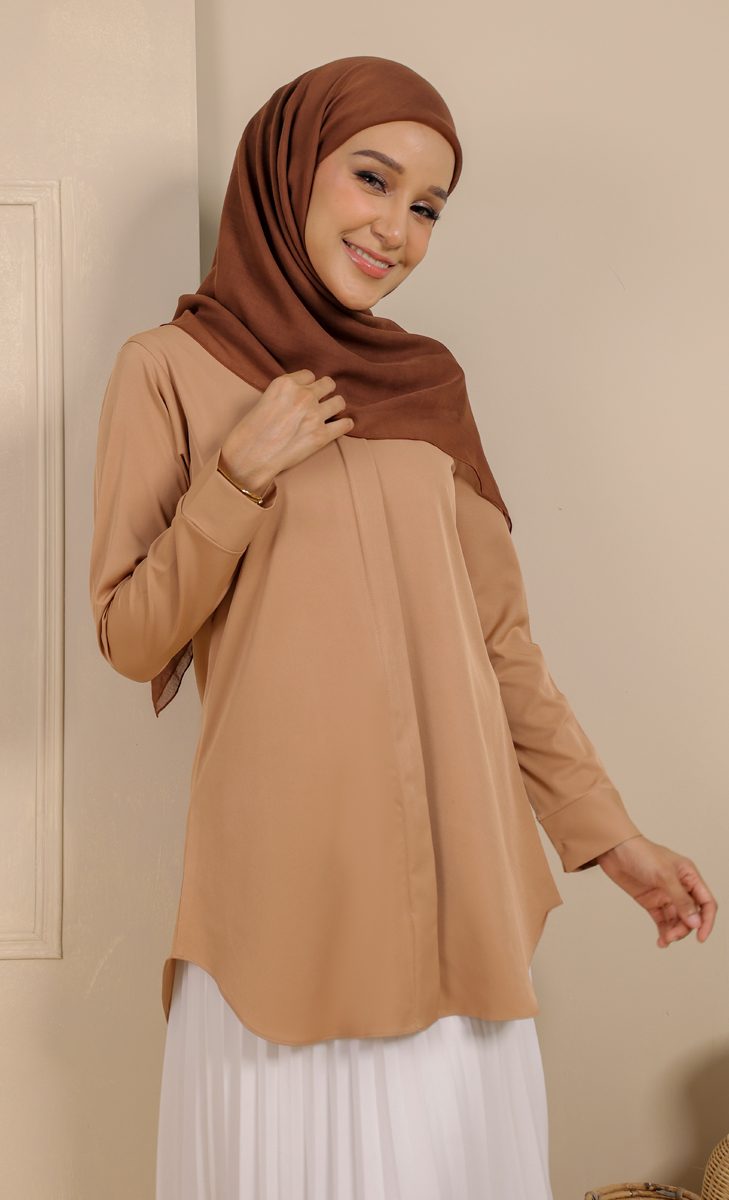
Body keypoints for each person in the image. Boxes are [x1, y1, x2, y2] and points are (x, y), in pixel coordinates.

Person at [88, 55, 717, 1200]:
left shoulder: (430, 386)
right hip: (280, 907)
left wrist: (610, 837)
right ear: (289, 172)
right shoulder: (166, 370)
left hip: (454, 902)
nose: (397, 229)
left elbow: (502, 650)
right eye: (373, 179)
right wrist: (239, 474)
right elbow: (132, 636)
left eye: (428, 206)